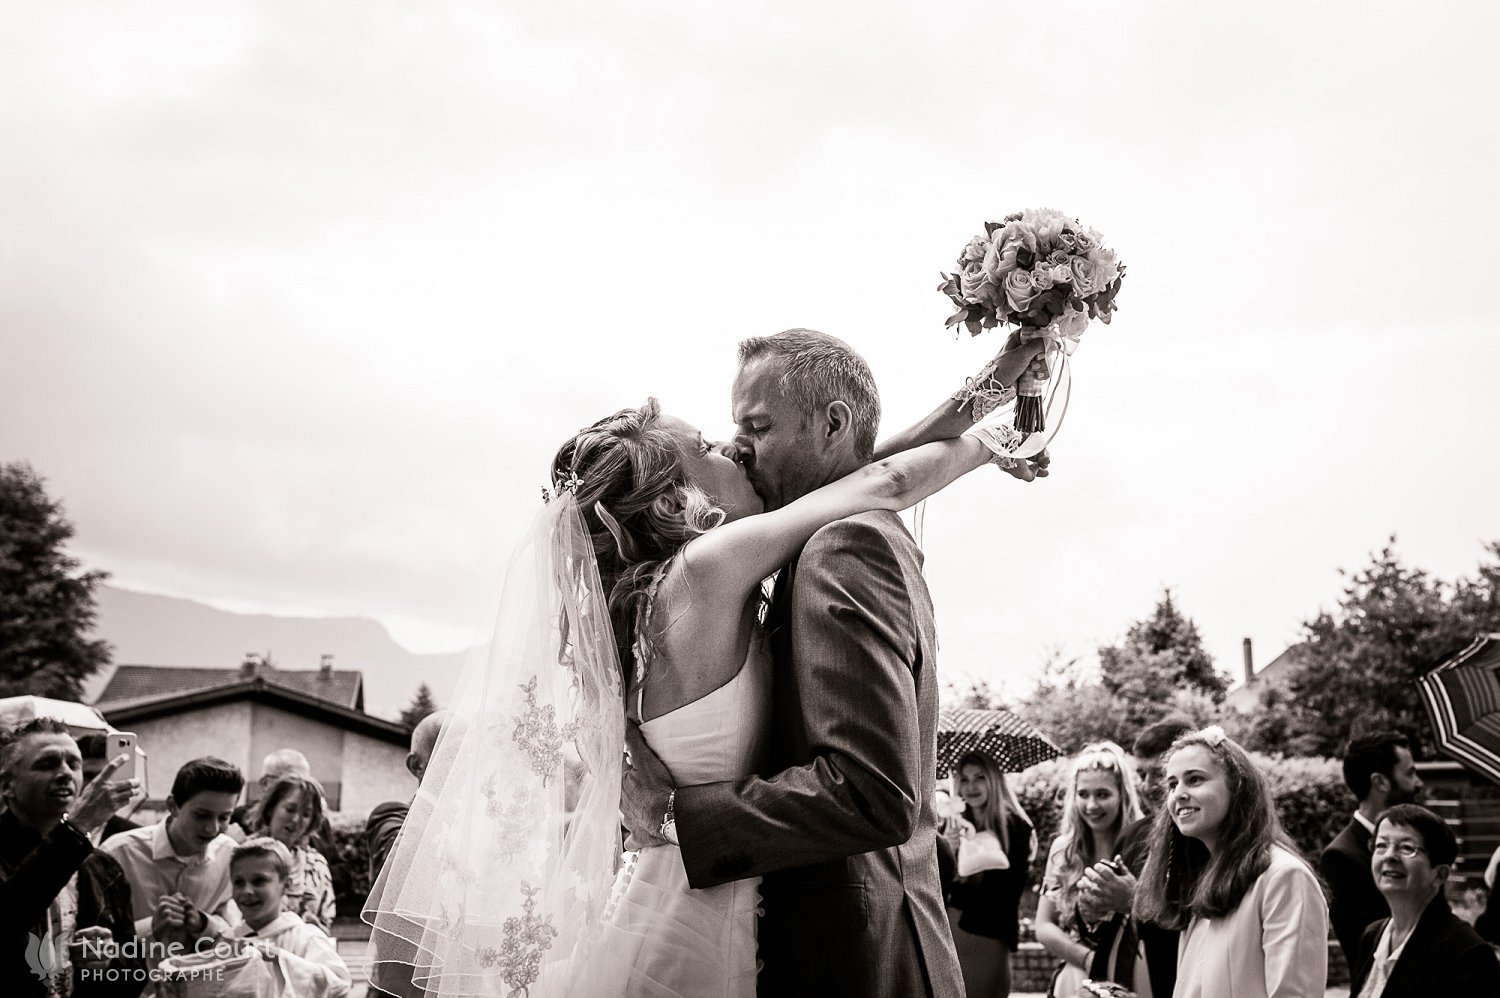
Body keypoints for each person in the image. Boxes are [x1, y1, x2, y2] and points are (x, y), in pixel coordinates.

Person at [365, 327, 1048, 998]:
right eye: (707, 446)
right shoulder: (707, 569)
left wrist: (993, 382)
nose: (732, 447)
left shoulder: (673, 587)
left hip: (687, 910)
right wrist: (1004, 438)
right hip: (688, 936)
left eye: (741, 431)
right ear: (677, 502)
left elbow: (859, 467)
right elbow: (886, 477)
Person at [1135, 726, 1328, 998]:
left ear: (1237, 786)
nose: (1178, 793)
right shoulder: (1200, 880)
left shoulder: (1285, 877)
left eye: (1194, 779)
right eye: (1172, 784)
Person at [0, 717, 143, 998]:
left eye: (73, 764)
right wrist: (75, 829)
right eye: (47, 764)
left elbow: (134, 976)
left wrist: (109, 961)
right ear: (8, 786)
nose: (66, 773)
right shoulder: (74, 844)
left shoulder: (104, 867)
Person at [1075, 714, 1195, 998]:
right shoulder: (1131, 835)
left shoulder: (1203, 838)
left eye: (1160, 775)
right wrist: (1091, 911)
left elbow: (1199, 926)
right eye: (1142, 774)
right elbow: (1108, 930)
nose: (1149, 785)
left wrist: (1136, 901)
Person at [1348, 804, 1500, 996]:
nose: (1389, 856)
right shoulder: (1372, 936)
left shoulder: (1466, 952)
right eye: (1381, 845)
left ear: (1440, 874)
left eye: (1407, 848)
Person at [1034, 741, 1146, 998]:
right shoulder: (1063, 850)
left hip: (1132, 979)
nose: (1091, 805)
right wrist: (1088, 960)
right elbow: (1043, 924)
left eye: (1103, 794)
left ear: (1123, 795)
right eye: (1083, 794)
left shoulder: (1143, 846)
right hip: (1073, 978)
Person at [99, 756, 243, 946]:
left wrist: (205, 925)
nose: (212, 828)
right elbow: (90, 937)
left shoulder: (232, 857)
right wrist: (150, 927)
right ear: (172, 806)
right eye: (201, 816)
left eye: (224, 818)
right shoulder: (117, 854)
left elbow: (235, 933)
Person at [1320, 732, 1424, 964]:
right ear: (1380, 782)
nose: (1419, 783)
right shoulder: (1341, 856)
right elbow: (1367, 951)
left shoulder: (1420, 843)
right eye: (1410, 773)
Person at [943, 751, 1037, 998]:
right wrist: (948, 850)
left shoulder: (1015, 827)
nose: (971, 786)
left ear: (993, 780)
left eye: (980, 778)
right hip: (953, 932)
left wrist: (959, 889)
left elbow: (1007, 893)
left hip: (989, 932)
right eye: (964, 779)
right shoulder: (953, 826)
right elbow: (935, 884)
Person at [223, 837, 351, 996]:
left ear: (287, 885)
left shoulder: (306, 938)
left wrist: (280, 958)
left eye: (259, 881)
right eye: (239, 883)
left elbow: (339, 984)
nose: (247, 891)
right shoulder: (227, 941)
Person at [245, 773, 336, 931]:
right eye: (290, 809)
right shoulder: (243, 854)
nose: (296, 820)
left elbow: (326, 927)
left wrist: (315, 928)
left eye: (306, 814)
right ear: (271, 809)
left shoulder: (316, 866)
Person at [366, 710, 448, 884]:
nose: (464, 766)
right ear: (416, 765)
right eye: (450, 755)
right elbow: (399, 866)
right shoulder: (390, 817)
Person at [74, 734, 140, 844]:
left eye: (105, 776)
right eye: (89, 776)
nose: (96, 784)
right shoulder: (46, 827)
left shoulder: (132, 839)